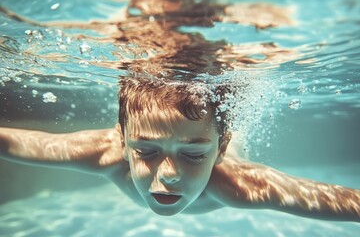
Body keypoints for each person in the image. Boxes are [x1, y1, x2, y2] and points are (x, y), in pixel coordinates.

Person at [0, 77, 359, 221]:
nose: (168, 174)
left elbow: (346, 202)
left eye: (193, 154)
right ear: (123, 141)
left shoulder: (239, 184)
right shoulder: (105, 152)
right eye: (145, 151)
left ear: (218, 151)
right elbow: (15, 141)